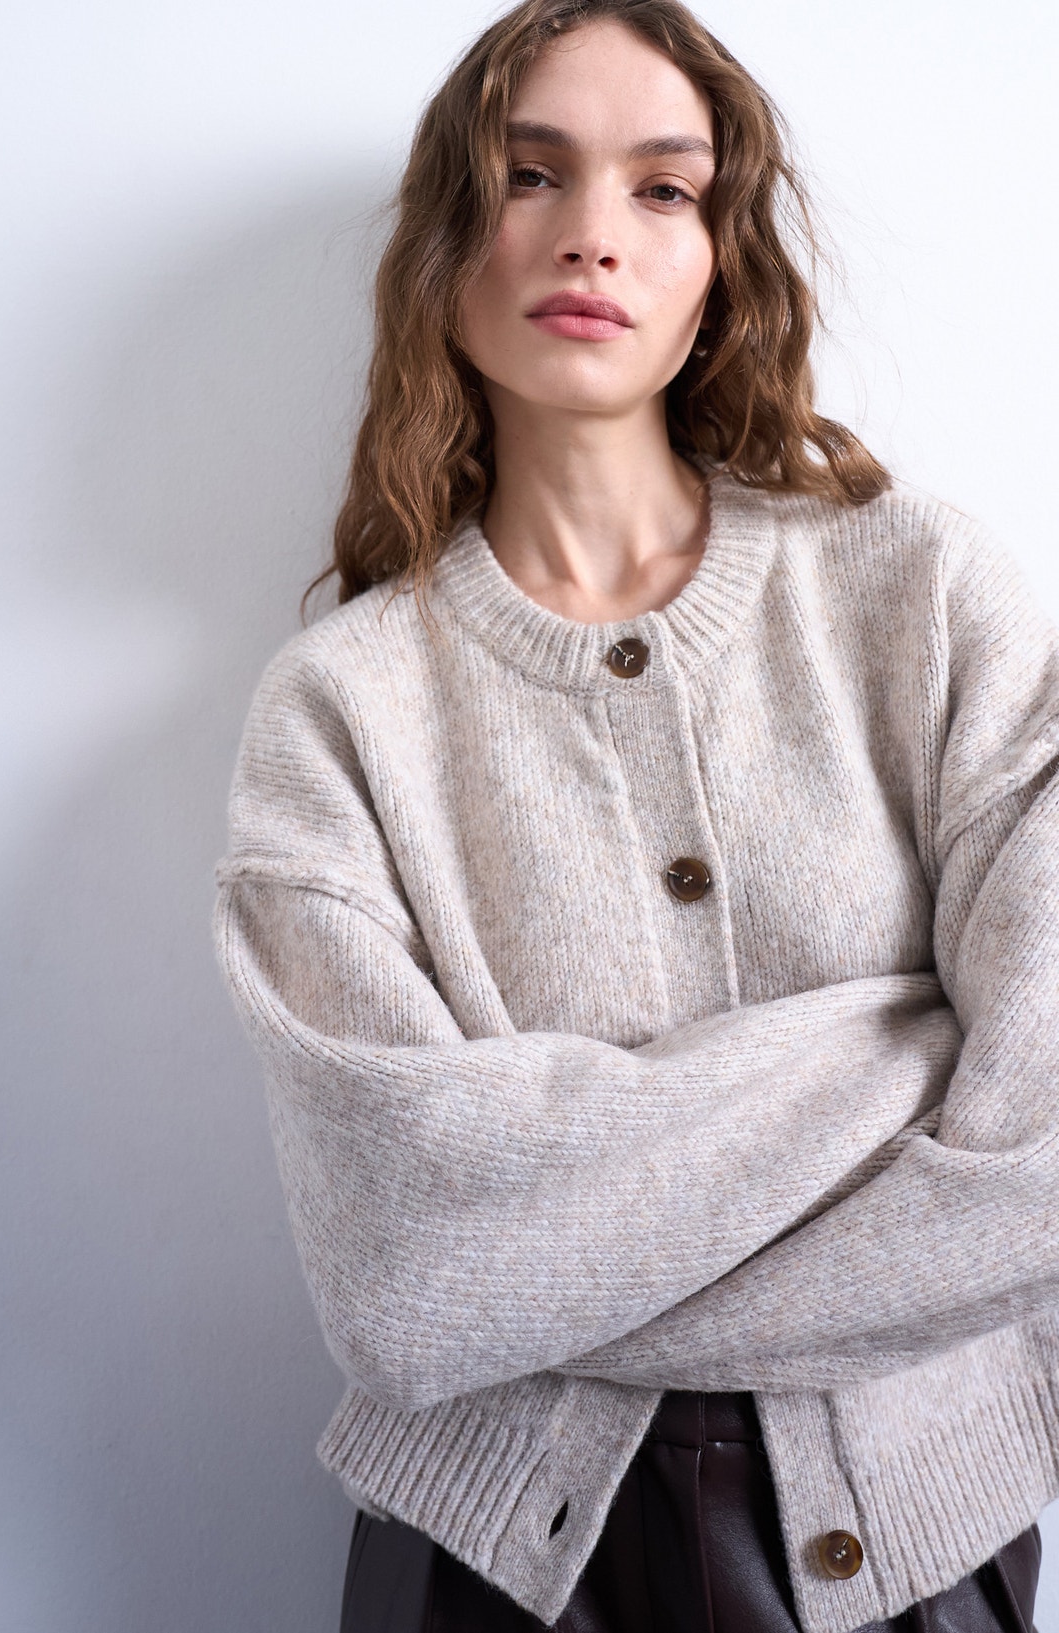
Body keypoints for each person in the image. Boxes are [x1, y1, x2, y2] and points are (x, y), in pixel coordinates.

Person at [212, 1, 1059, 1628]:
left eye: (664, 188)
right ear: (447, 240)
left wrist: (552, 1265)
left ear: (722, 263)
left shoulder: (927, 595)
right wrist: (901, 1047)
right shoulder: (340, 710)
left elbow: (1045, 1154)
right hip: (488, 1567)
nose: (592, 233)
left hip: (915, 1544)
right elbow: (406, 1271)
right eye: (531, 174)